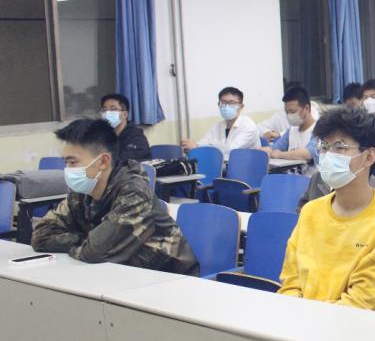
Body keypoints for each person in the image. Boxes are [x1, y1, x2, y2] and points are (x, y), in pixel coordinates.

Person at [278, 106, 375, 310]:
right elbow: (290, 281)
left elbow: (365, 301)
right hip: (301, 319)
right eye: (324, 146)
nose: (328, 155)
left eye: (339, 147)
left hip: (355, 325)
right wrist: (295, 313)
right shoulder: (311, 212)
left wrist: (308, 317)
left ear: (369, 157)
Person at [32, 119, 198, 274]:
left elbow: (93, 253)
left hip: (168, 280)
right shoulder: (82, 193)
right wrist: (82, 240)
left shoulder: (134, 193)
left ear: (103, 161)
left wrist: (77, 242)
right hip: (121, 276)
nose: (67, 169)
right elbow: (40, 236)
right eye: (66, 162)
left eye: (73, 162)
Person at [181, 86, 260, 155]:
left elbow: (230, 151)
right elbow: (204, 142)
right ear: (219, 105)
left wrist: (197, 147)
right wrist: (191, 146)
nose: (227, 106)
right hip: (221, 165)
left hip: (245, 166)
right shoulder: (218, 126)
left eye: (232, 103)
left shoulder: (249, 127)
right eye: (223, 102)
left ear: (241, 106)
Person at [258, 86, 319, 171]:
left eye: (292, 111)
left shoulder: (319, 130)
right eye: (287, 112)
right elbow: (274, 149)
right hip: (289, 177)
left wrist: (280, 155)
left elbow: (307, 154)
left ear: (306, 108)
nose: (289, 115)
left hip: (309, 178)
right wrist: (255, 150)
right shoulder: (292, 130)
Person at [99, 93, 151, 163]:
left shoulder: (136, 137)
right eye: (104, 110)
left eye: (113, 109)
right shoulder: (103, 135)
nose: (107, 113)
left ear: (124, 114)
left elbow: (125, 162)